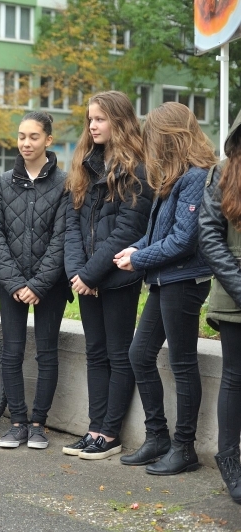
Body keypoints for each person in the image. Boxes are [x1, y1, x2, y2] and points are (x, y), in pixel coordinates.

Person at [114, 102, 217, 474]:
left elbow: (183, 241)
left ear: (170, 137)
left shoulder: (197, 176)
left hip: (184, 282)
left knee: (183, 362)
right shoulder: (174, 175)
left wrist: (138, 260)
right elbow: (159, 232)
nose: (149, 143)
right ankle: (157, 436)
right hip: (163, 280)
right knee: (140, 355)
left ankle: (184, 447)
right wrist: (137, 247)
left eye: (153, 136)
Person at [63, 90, 153, 460]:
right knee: (95, 353)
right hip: (87, 279)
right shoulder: (85, 164)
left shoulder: (137, 169)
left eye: (100, 118)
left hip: (117, 279)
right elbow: (71, 223)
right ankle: (93, 428)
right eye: (90, 119)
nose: (93, 125)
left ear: (119, 120)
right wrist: (77, 274)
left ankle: (109, 434)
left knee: (118, 355)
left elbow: (127, 230)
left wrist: (92, 274)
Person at [0, 111, 70, 450]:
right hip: (10, 284)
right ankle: (17, 421)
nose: (26, 143)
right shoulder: (3, 183)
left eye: (33, 136)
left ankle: (38, 424)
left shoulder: (65, 184)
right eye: (21, 136)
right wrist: (16, 282)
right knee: (12, 352)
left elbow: (62, 239)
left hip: (50, 286)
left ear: (48, 140)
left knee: (47, 354)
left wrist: (38, 284)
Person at [199, 110, 241, 504]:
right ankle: (230, 460)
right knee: (235, 378)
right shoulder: (224, 172)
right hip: (234, 297)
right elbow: (210, 238)